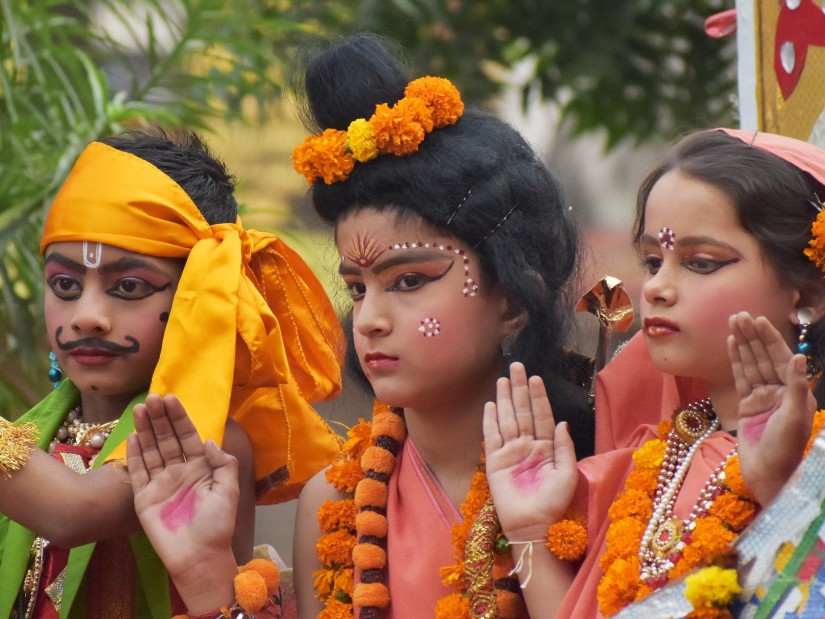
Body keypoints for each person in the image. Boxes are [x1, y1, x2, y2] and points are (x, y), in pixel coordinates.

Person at [125, 33, 596, 619]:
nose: (369, 320)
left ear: (514, 297)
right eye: (357, 288)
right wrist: (205, 575)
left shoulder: (593, 470)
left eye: (409, 281)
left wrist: (530, 536)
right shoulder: (335, 499)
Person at [0, 129, 344, 618]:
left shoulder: (204, 444)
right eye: (65, 284)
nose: (87, 315)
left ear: (195, 301)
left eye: (129, 286)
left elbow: (71, 512)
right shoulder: (38, 433)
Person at [482, 128, 825, 618]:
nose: (657, 287)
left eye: (701, 263)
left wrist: (782, 487)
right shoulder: (655, 460)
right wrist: (530, 528)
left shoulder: (813, 459)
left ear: (808, 295)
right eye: (652, 260)